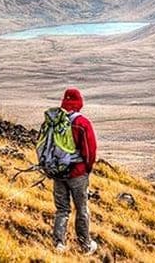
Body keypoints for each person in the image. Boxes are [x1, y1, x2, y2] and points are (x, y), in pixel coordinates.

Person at [53, 88, 98, 254]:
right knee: (82, 209)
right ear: (79, 102)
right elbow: (90, 151)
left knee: (62, 209)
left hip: (58, 172)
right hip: (77, 173)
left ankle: (59, 244)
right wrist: (87, 169)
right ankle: (85, 245)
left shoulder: (56, 121)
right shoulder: (82, 123)